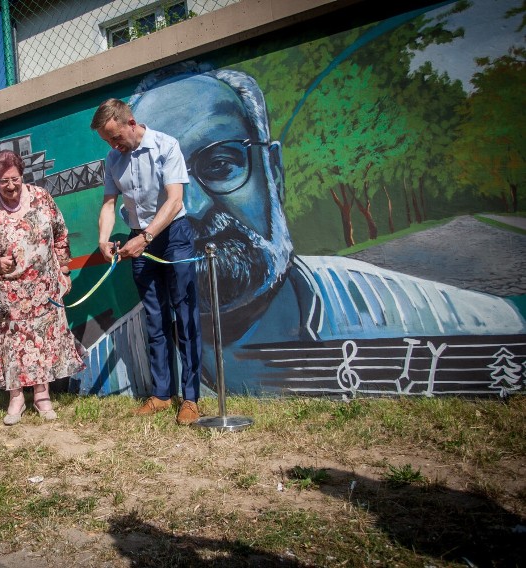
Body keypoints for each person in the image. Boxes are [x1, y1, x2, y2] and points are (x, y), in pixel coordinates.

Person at [123, 62, 526, 397]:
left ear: (274, 173)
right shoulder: (112, 368)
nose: (190, 207)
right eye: (158, 186)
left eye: (222, 165)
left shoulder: (466, 325)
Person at [91, 98, 203, 425]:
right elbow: (109, 204)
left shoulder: (166, 146)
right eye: (107, 141)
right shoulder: (113, 160)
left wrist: (146, 238)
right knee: (154, 318)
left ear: (131, 122)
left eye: (115, 137)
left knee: (185, 315)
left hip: (173, 235)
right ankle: (161, 394)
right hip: (138, 236)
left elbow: (175, 199)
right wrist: (103, 239)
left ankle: (191, 398)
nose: (113, 145)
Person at [0, 149, 86, 425]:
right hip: (8, 294)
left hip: (43, 287)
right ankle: (16, 398)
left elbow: (60, 234)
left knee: (43, 341)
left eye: (15, 179)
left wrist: (64, 270)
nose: (10, 186)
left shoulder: (41, 198)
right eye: (3, 181)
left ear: (22, 175)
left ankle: (42, 396)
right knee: (12, 346)